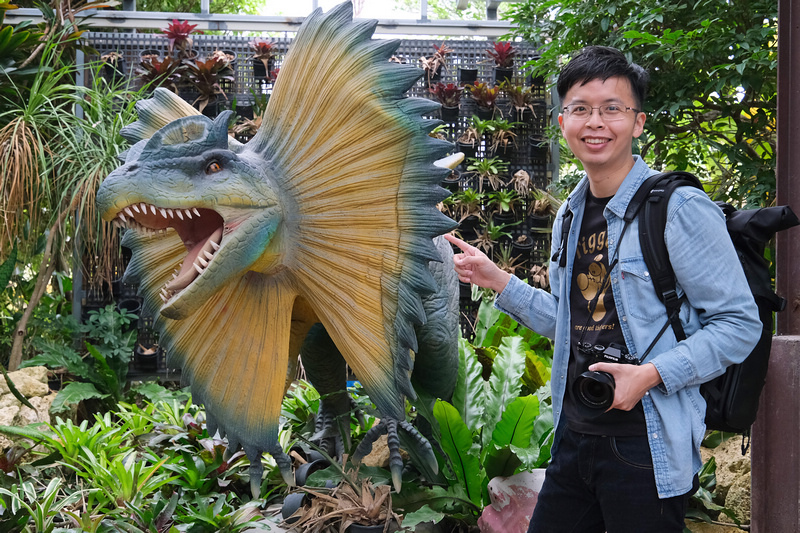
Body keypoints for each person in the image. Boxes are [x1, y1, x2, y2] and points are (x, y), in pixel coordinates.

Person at [445, 46, 760, 532]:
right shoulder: (569, 215)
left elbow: (740, 324)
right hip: (574, 434)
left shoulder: (677, 208)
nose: (596, 122)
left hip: (646, 445)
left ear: (637, 122)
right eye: (581, 109)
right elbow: (571, 324)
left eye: (613, 108)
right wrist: (497, 280)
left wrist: (651, 373)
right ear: (561, 120)